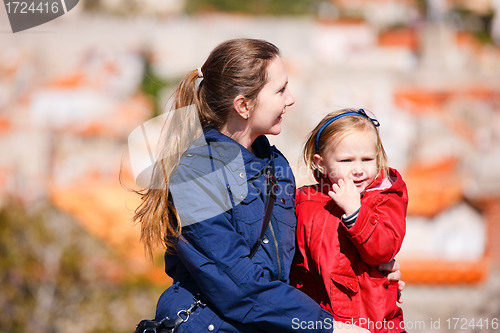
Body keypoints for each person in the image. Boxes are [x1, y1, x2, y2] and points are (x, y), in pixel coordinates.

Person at [129, 38, 401, 333]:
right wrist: (328, 327)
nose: (290, 99)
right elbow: (236, 282)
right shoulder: (197, 176)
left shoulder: (275, 164)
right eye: (281, 89)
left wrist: (367, 274)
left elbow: (298, 254)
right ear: (243, 105)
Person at [290, 108, 408, 333]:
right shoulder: (305, 200)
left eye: (367, 159)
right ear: (321, 163)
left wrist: (355, 212)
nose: (358, 170)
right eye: (346, 160)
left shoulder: (384, 197)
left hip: (374, 321)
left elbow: (383, 249)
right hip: (322, 317)